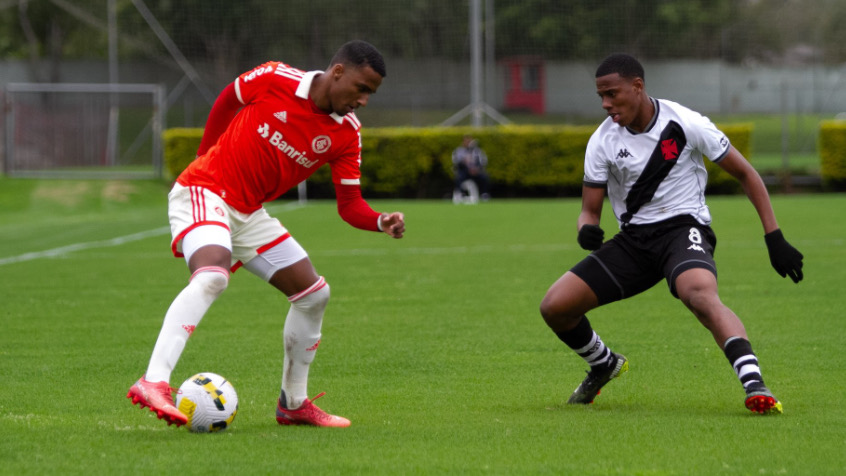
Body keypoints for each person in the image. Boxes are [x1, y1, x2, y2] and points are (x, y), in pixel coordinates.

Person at [127, 40, 405, 428]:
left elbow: (349, 205)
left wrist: (379, 220)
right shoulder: (276, 77)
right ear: (338, 72)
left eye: (371, 94)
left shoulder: (347, 135)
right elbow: (228, 99)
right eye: (362, 88)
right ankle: (153, 380)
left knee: (314, 295)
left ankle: (293, 403)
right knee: (212, 276)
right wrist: (204, 155)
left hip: (248, 213)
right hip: (205, 189)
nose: (364, 100)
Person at [539, 53, 803, 414]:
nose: (605, 104)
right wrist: (587, 229)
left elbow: (746, 174)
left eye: (612, 94)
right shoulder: (601, 141)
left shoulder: (686, 123)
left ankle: (755, 383)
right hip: (634, 241)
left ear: (638, 86)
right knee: (555, 307)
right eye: (601, 96)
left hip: (684, 229)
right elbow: (589, 210)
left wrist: (774, 237)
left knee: (698, 294)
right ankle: (604, 363)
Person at [452, 135, 490, 202]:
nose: (468, 143)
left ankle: (484, 194)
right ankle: (460, 194)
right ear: (463, 142)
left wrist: (476, 169)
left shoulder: (478, 151)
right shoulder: (459, 150)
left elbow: (483, 162)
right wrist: (465, 162)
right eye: (466, 141)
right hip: (464, 171)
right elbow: (456, 161)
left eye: (469, 141)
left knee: (484, 177)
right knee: (459, 178)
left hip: (475, 171)